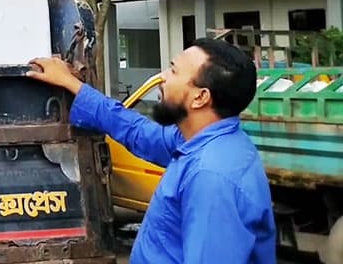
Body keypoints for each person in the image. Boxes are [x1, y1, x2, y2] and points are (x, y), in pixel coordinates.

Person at [28, 38, 276, 264]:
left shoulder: (212, 177)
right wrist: (72, 84)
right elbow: (140, 133)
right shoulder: (200, 140)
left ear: (200, 97)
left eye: (174, 71)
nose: (162, 77)